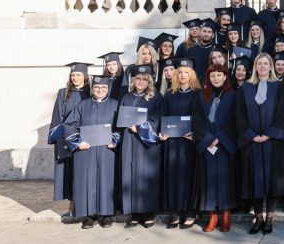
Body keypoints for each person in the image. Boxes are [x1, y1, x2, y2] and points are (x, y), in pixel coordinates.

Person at [235, 53, 284, 235]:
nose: (263, 67)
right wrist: (250, 135)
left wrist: (268, 134)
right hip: (251, 142)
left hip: (272, 142)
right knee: (254, 180)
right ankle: (258, 218)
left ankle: (269, 219)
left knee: (272, 181)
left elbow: (282, 113)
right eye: (260, 64)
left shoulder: (280, 87)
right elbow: (239, 115)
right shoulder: (246, 88)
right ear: (256, 67)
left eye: (266, 63)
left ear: (271, 66)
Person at [63, 75, 119, 229]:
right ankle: (88, 216)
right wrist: (78, 142)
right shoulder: (82, 105)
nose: (100, 90)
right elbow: (69, 125)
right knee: (86, 182)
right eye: (97, 87)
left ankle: (105, 215)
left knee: (106, 182)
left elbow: (120, 127)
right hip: (85, 150)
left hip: (106, 150)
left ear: (108, 89)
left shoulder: (115, 105)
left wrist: (114, 140)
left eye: (103, 88)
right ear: (92, 89)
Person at [192, 64, 238, 233]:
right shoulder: (201, 96)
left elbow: (235, 119)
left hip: (225, 144)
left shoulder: (233, 96)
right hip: (207, 144)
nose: (216, 78)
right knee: (209, 181)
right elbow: (196, 120)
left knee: (225, 180)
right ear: (208, 78)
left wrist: (221, 138)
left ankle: (226, 215)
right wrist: (208, 139)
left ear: (225, 76)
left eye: (219, 75)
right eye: (213, 76)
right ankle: (213, 216)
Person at [118, 64, 164, 228]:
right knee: (131, 177)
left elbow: (158, 119)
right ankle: (135, 213)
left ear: (149, 81)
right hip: (130, 142)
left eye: (145, 79)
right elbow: (119, 120)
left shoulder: (156, 97)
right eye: (138, 78)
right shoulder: (126, 97)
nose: (141, 81)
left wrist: (139, 128)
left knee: (146, 177)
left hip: (147, 145)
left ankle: (148, 213)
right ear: (133, 80)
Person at [161, 59, 201, 229]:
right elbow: (164, 116)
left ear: (191, 74)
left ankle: (191, 212)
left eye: (186, 72)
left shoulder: (198, 94)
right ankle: (175, 213)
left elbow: (201, 119)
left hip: (189, 141)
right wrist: (162, 132)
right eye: (180, 72)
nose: (183, 75)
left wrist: (195, 133)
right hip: (172, 142)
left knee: (190, 176)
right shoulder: (170, 94)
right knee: (173, 176)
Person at [48, 62, 91, 216]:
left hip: (85, 139)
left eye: (78, 75)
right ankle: (71, 205)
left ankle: (86, 206)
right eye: (72, 75)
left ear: (85, 77)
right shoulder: (63, 93)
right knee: (69, 172)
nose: (75, 77)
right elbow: (57, 116)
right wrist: (63, 135)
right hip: (67, 138)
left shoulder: (91, 93)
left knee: (83, 173)